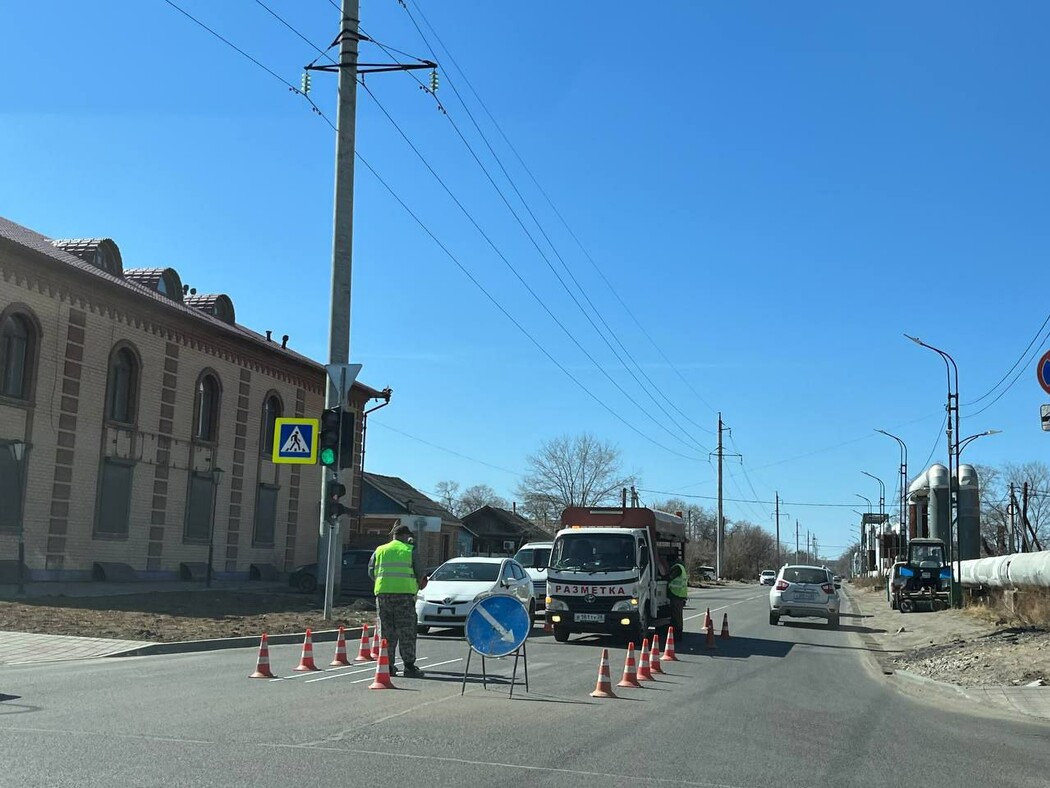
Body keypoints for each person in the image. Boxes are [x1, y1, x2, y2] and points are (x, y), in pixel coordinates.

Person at [368, 522, 427, 678]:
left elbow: (371, 571)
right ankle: (409, 666)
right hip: (404, 596)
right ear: (405, 536)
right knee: (406, 631)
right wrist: (417, 585)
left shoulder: (380, 550)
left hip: (383, 596)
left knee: (386, 631)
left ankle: (387, 666)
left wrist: (384, 583)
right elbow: (420, 574)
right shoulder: (409, 550)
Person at [668, 559, 688, 635]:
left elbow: (670, 577)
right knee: (678, 616)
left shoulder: (677, 568)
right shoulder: (682, 568)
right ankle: (678, 632)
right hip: (680, 594)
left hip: (676, 594)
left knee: (676, 616)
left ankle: (677, 633)